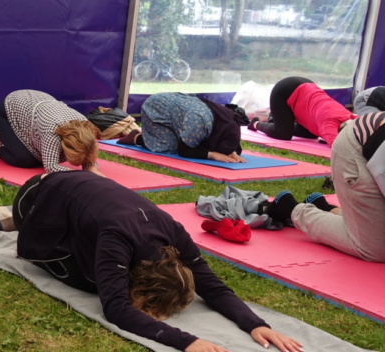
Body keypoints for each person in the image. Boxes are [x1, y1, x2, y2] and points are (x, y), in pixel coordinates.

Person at [13, 171, 304, 352]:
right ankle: (10, 219)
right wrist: (186, 341)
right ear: (137, 283)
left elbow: (213, 287)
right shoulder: (116, 238)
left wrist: (256, 324)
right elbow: (115, 308)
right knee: (92, 282)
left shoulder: (172, 233)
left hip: (81, 187)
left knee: (97, 261)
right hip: (34, 197)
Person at [267, 112, 385, 263]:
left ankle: (325, 209)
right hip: (354, 150)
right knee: (376, 248)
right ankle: (289, 208)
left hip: (372, 146)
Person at [0, 90, 104, 174]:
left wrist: (92, 167)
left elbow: (88, 152)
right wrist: (82, 175)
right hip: (7, 112)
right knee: (25, 160)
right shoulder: (52, 131)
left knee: (40, 159)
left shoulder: (86, 127)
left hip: (35, 103)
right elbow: (50, 167)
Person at [127, 92, 245, 163]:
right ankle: (137, 137)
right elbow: (184, 150)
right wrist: (213, 155)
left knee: (192, 140)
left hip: (181, 109)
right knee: (169, 147)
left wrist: (231, 151)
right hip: (156, 105)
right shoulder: (200, 123)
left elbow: (230, 140)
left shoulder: (230, 121)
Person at [250, 77, 354, 147]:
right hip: (285, 90)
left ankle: (280, 122)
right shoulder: (329, 123)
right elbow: (338, 147)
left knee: (311, 134)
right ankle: (255, 123)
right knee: (282, 134)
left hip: (306, 88)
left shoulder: (352, 118)